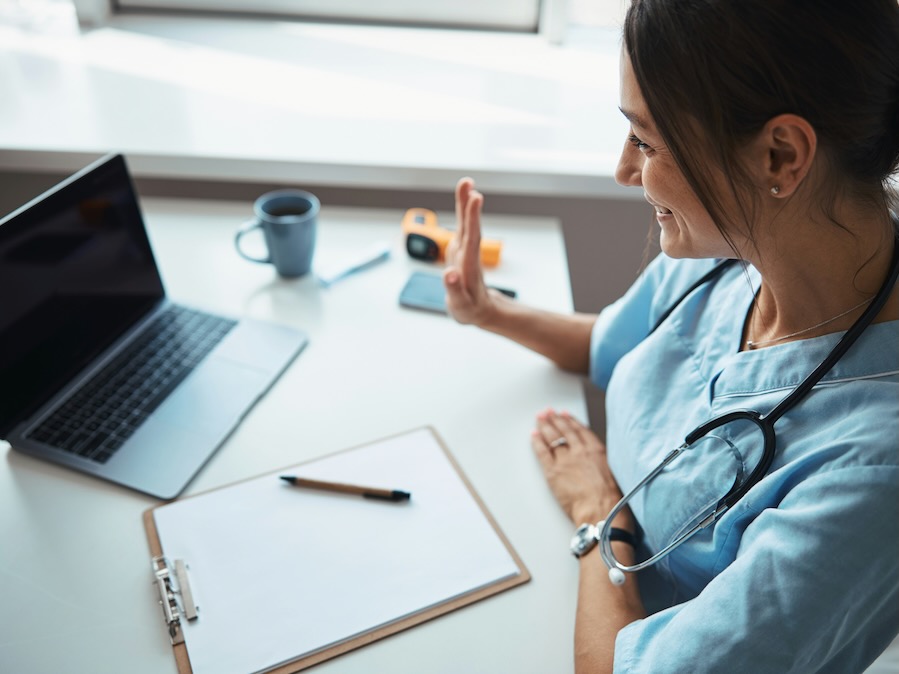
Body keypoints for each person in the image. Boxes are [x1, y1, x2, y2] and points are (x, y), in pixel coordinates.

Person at [441, 1, 899, 672]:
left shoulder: (869, 474)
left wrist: (599, 512)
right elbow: (610, 345)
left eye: (647, 142)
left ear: (779, 155)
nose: (625, 170)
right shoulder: (736, 246)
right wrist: (488, 312)